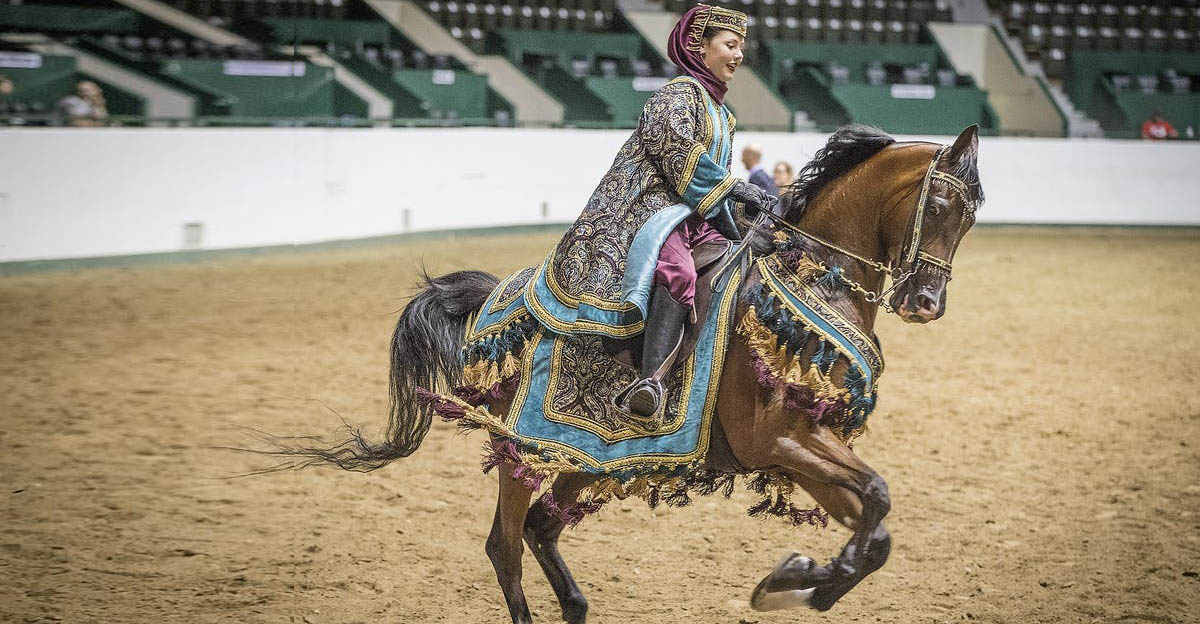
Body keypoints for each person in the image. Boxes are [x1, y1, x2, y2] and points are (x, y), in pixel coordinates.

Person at [525, 4, 776, 418]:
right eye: (730, 45)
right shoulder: (677, 95)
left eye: (741, 48)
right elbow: (678, 154)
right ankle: (651, 381)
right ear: (700, 46)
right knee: (678, 270)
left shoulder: (720, 113)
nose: (738, 56)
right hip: (651, 210)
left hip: (695, 214)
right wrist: (738, 188)